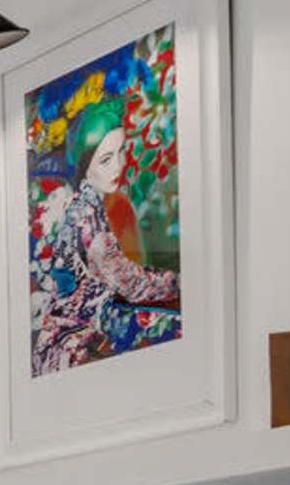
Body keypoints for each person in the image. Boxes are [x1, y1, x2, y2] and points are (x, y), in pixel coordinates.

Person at [29, 89, 181, 371]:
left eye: (121, 152)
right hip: (73, 342)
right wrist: (180, 281)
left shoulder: (85, 208)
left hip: (89, 328)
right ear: (85, 166)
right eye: (105, 159)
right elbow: (131, 283)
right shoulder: (87, 220)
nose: (119, 166)